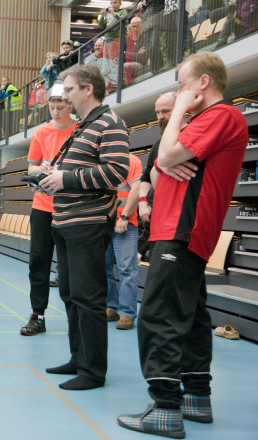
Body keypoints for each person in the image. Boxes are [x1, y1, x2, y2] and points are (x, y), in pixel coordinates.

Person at [118, 51, 248, 438]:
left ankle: (164, 407)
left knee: (159, 315)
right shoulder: (203, 121)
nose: (179, 93)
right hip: (175, 229)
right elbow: (161, 169)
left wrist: (176, 117)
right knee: (190, 317)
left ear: (203, 83)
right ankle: (195, 397)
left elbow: (168, 155)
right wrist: (164, 162)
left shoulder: (222, 115)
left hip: (182, 229)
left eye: (181, 85)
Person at [39, 64, 130, 390]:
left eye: (70, 89)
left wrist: (66, 178)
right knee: (70, 294)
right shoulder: (83, 126)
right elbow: (78, 169)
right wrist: (53, 172)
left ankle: (92, 371)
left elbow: (117, 171)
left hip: (88, 223)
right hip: (65, 222)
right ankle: (78, 359)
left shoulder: (110, 123)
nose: (65, 96)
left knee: (88, 297)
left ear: (88, 89)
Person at [20, 83, 77, 336]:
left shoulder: (79, 131)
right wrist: (39, 170)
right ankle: (38, 315)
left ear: (70, 104)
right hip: (42, 207)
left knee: (69, 267)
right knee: (38, 261)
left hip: (70, 207)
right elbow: (31, 168)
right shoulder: (41, 132)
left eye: (60, 107)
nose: (55, 111)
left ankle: (74, 316)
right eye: (52, 107)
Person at [137, 92, 179, 261]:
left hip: (176, 225)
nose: (160, 117)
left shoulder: (187, 137)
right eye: (157, 112)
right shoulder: (158, 144)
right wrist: (143, 202)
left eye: (166, 111)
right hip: (156, 223)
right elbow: (146, 178)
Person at [105, 153, 142, 330]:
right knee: (103, 269)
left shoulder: (132, 161)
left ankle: (127, 313)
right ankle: (111, 308)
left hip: (125, 224)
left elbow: (136, 190)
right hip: (102, 223)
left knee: (127, 269)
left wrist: (124, 217)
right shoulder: (101, 161)